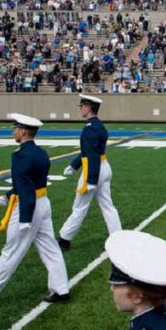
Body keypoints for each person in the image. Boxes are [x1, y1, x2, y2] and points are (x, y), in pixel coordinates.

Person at [0, 113, 70, 304]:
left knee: (12, 248)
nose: (13, 131)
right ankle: (61, 289)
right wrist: (8, 196)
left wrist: (24, 219)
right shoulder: (41, 153)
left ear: (23, 132)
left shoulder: (21, 156)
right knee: (50, 248)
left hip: (28, 207)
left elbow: (26, 188)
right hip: (43, 203)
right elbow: (30, 183)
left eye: (16, 128)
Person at [58, 94, 122, 251]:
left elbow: (92, 155)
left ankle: (65, 238)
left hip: (93, 171)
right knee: (108, 206)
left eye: (82, 106)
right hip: (104, 167)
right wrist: (74, 165)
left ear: (88, 107)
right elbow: (90, 151)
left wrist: (91, 180)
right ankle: (118, 238)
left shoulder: (89, 130)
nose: (80, 109)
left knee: (79, 207)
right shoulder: (99, 126)